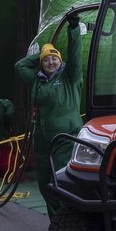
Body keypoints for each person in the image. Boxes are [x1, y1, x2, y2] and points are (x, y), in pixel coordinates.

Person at [14, 14, 84, 217]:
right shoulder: (37, 81)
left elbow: (75, 54)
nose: (50, 62)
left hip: (65, 136)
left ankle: (68, 220)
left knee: (60, 179)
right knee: (45, 183)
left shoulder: (69, 77)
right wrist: (42, 52)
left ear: (60, 61)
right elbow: (19, 66)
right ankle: (56, 222)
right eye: (46, 60)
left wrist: (73, 28)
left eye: (54, 58)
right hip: (42, 139)